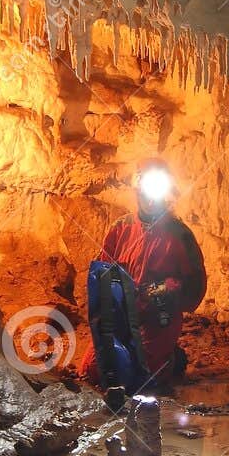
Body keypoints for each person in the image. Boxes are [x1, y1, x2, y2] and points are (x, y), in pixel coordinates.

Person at [81, 159, 206, 395]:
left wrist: (167, 291)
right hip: (123, 316)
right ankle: (159, 353)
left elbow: (195, 287)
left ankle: (171, 359)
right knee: (94, 370)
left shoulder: (178, 235)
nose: (151, 198)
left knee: (140, 377)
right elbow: (102, 275)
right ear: (138, 190)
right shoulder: (121, 228)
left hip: (156, 318)